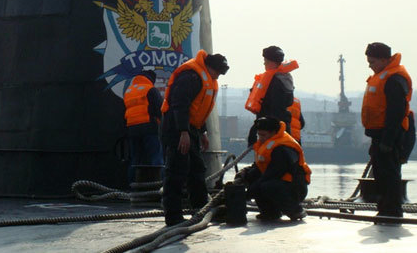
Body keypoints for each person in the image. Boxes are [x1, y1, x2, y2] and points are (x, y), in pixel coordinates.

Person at [160, 49, 229, 226]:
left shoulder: (206, 78)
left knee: (197, 169)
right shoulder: (191, 76)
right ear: (209, 67)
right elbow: (179, 104)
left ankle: (200, 209)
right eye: (217, 73)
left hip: (191, 129)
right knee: (177, 170)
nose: (218, 77)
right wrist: (183, 131)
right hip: (176, 127)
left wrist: (202, 132)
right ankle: (173, 216)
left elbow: (198, 108)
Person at [361, 42, 413, 218]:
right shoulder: (383, 76)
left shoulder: (393, 79)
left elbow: (396, 112)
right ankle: (385, 208)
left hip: (390, 134)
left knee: (389, 173)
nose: (370, 65)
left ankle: (391, 210)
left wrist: (388, 141)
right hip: (379, 134)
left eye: (372, 61)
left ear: (384, 60)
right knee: (381, 173)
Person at [235, 116, 311, 221]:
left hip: (294, 187)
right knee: (253, 179)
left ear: (274, 133)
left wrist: (249, 192)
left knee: (267, 186)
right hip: (279, 182)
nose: (260, 138)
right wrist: (245, 174)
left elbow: (274, 172)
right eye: (259, 135)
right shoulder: (267, 145)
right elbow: (260, 167)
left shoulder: (283, 148)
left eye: (263, 135)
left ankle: (295, 210)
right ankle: (270, 212)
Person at [245, 46, 298, 146]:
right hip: (279, 128)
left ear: (272, 62)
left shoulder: (275, 81)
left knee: (271, 157)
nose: (264, 63)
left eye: (266, 61)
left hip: (271, 131)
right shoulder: (284, 79)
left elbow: (274, 109)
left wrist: (257, 128)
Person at [123, 70, 164, 184]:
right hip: (149, 128)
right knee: (155, 158)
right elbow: (161, 109)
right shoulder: (150, 89)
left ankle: (132, 186)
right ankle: (156, 185)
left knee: (135, 160)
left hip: (132, 129)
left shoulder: (129, 91)